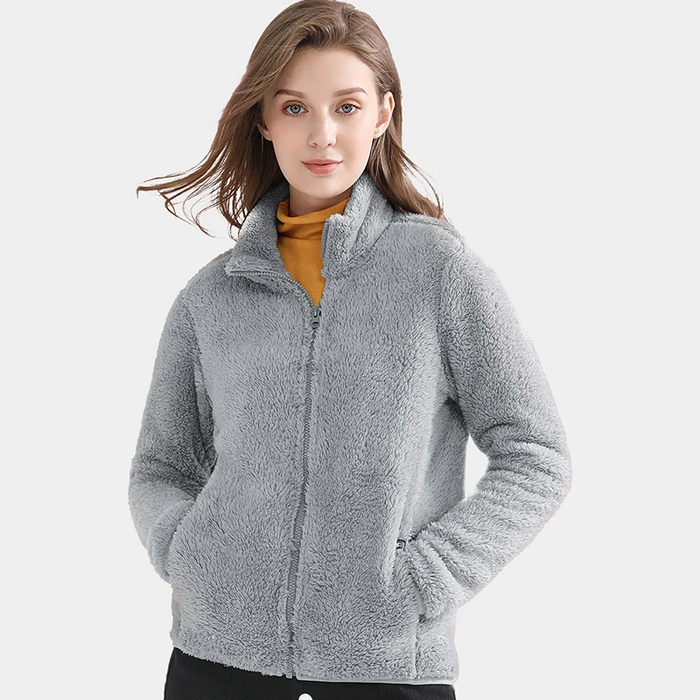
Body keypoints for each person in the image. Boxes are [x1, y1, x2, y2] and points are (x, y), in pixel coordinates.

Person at [128, 1, 572, 699]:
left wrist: (426, 578)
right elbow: (162, 465)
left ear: (383, 113)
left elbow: (537, 455)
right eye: (295, 108)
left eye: (347, 106)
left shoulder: (438, 274)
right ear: (263, 119)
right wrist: (188, 554)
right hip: (217, 654)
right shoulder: (211, 297)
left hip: (386, 660)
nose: (323, 135)